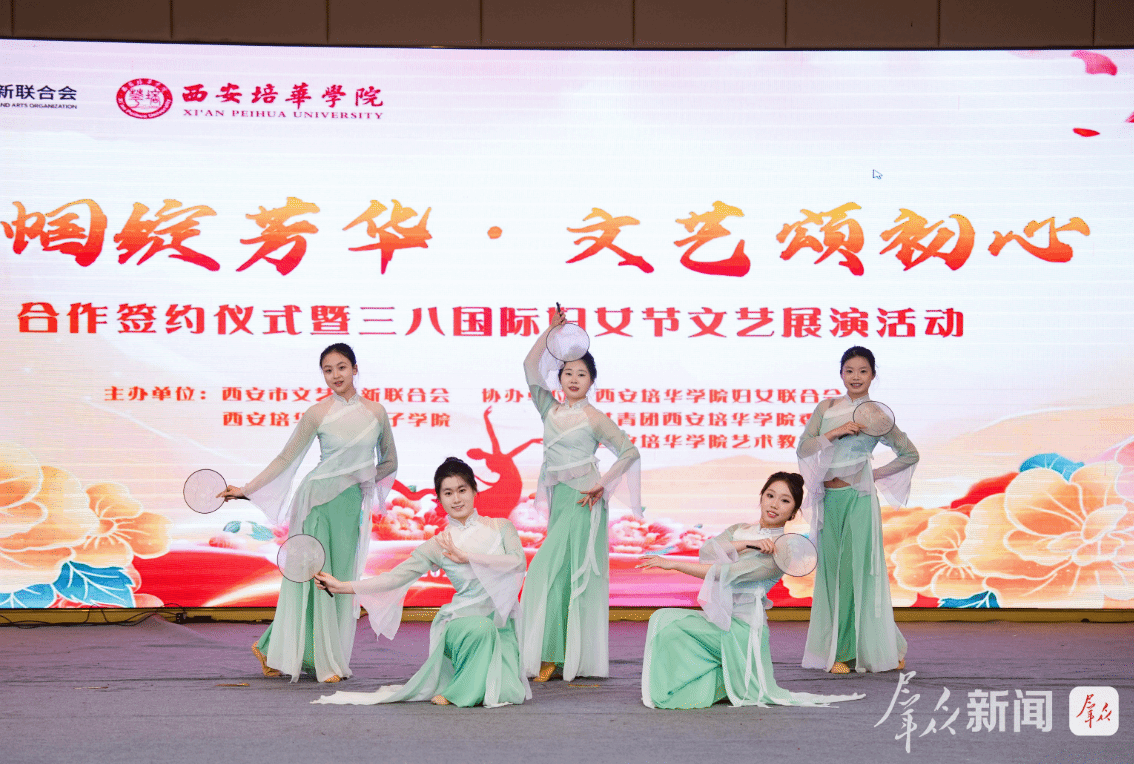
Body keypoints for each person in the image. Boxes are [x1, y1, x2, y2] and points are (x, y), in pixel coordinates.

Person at [220, 343, 397, 683]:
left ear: (355, 369)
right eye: (328, 370)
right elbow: (286, 458)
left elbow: (389, 461)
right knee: (314, 580)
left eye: (341, 367)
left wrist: (362, 478)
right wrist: (246, 489)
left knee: (339, 580)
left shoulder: (376, 412)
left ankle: (272, 648)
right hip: (316, 502)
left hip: (350, 507)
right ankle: (320, 661)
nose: (335, 375)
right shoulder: (317, 413)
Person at [312, 457, 530, 707]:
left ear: (474, 491)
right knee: (482, 629)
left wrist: (467, 557)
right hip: (461, 623)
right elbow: (394, 578)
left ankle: (471, 682)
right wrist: (342, 586)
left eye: (462, 490)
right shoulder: (438, 544)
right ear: (439, 498)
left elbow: (518, 562)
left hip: (501, 625)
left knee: (510, 693)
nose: (456, 499)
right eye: (448, 493)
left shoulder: (502, 527)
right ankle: (459, 692)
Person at [637, 472, 863, 709]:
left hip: (744, 630)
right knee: (664, 619)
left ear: (793, 512)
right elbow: (708, 551)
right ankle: (713, 681)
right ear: (761, 497)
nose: (774, 504)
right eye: (770, 496)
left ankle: (725, 681)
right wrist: (747, 544)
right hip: (722, 622)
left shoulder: (782, 550)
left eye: (785, 500)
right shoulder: (739, 530)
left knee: (669, 624)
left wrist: (673, 564)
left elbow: (723, 572)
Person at [520, 309, 641, 682]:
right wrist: (551, 332)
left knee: (566, 576)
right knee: (554, 576)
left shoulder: (595, 417)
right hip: (561, 502)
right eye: (568, 373)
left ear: (592, 381)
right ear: (559, 377)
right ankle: (554, 654)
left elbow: (629, 452)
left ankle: (559, 656)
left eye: (581, 374)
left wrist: (604, 484)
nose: (574, 379)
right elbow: (529, 366)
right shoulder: (549, 409)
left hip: (584, 502)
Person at [796, 346, 918, 674]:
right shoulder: (827, 408)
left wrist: (873, 474)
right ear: (841, 374)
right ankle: (886, 647)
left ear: (873, 376)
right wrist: (834, 432)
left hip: (858, 500)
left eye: (863, 371)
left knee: (855, 573)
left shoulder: (877, 415)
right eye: (849, 370)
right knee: (830, 575)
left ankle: (846, 653)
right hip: (828, 500)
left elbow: (909, 453)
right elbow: (804, 448)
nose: (855, 377)